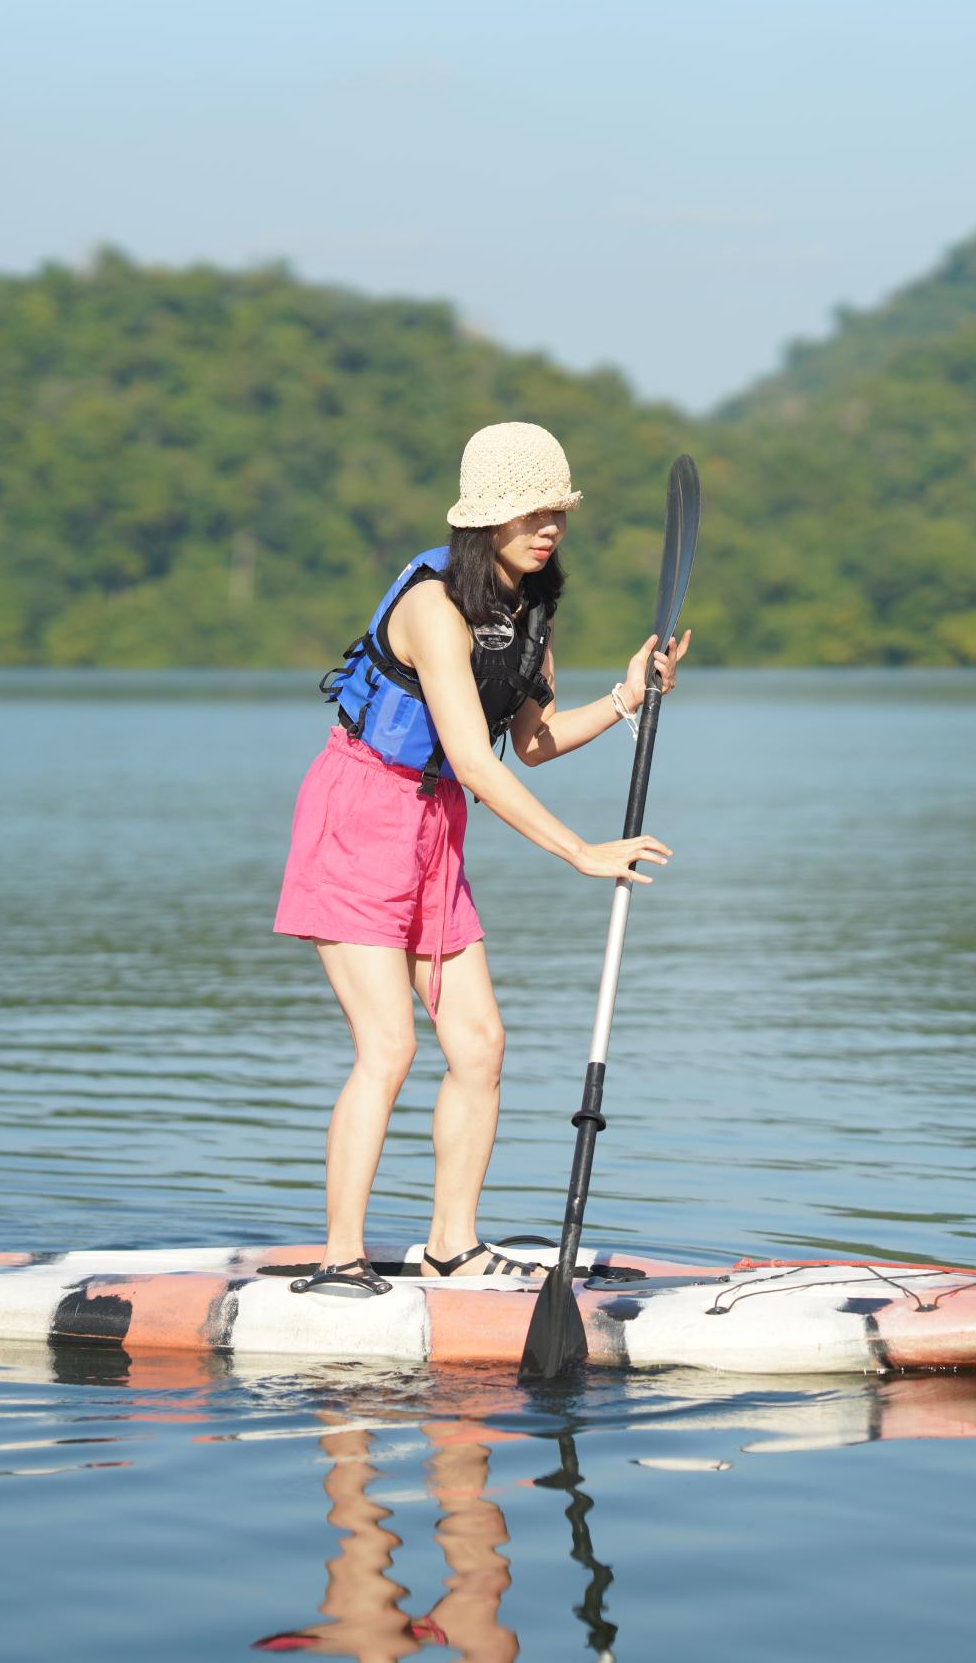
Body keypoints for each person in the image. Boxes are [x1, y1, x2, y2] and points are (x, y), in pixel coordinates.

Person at [272, 422, 690, 1296]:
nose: (549, 529)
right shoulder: (432, 606)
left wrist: (624, 697)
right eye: (532, 513)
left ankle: (450, 1247)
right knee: (387, 1048)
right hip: (359, 814)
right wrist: (579, 851)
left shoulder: (530, 603)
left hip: (434, 829)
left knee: (480, 1044)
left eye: (557, 513)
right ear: (485, 519)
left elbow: (530, 743)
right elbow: (472, 757)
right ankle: (339, 1262)